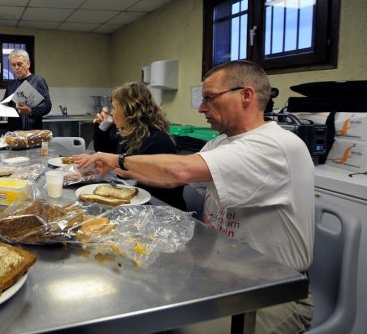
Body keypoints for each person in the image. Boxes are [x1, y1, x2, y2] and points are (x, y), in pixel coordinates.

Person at [74, 61, 314, 334]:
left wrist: (118, 159)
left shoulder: (275, 145)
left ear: (246, 95)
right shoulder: (220, 142)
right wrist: (115, 169)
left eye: (209, 98)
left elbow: (180, 170)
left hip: (271, 292)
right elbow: (171, 178)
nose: (201, 108)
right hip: (217, 277)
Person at [93, 82, 186, 210]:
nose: (112, 113)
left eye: (115, 108)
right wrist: (102, 128)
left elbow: (160, 185)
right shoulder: (127, 135)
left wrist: (115, 168)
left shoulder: (157, 140)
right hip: (140, 203)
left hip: (162, 210)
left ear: (129, 110)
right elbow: (105, 154)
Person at [2, 49, 51, 131]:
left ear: (28, 64)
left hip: (32, 132)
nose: (17, 68)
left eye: (19, 64)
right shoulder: (11, 85)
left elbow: (47, 105)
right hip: (13, 133)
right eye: (13, 65)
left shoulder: (38, 81)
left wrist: (30, 111)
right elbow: (6, 104)